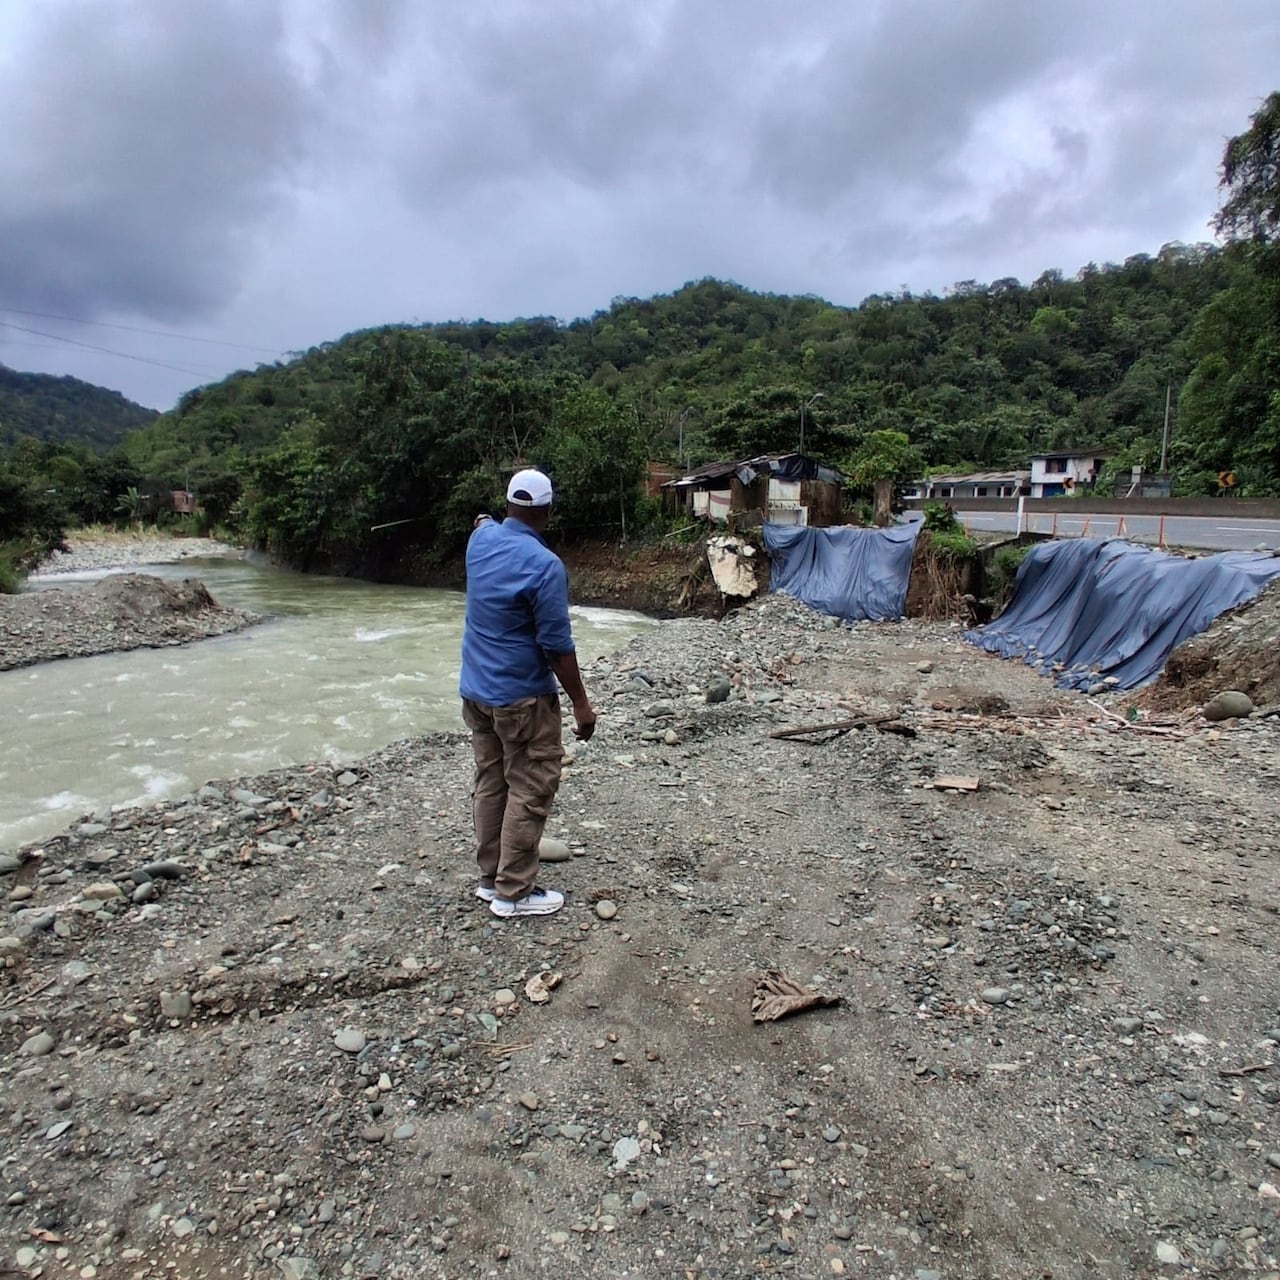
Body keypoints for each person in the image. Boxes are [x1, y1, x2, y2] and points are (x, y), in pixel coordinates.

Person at [459, 468, 597, 918]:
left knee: (491, 780)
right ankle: (513, 892)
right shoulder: (545, 566)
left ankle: (489, 878)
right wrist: (580, 703)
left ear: (508, 506)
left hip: (476, 693)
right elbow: (556, 648)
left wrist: (485, 519)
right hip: (522, 699)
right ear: (547, 511)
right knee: (531, 784)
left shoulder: (480, 541)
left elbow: (481, 522)